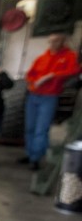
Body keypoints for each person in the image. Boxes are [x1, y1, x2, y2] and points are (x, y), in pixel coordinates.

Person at [20, 33, 80, 170]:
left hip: (49, 97)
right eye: (51, 41)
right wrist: (33, 81)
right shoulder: (42, 57)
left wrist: (51, 75)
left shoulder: (69, 56)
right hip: (34, 96)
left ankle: (36, 158)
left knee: (41, 129)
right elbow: (30, 73)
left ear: (62, 41)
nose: (53, 44)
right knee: (30, 127)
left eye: (56, 41)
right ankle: (29, 154)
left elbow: (75, 70)